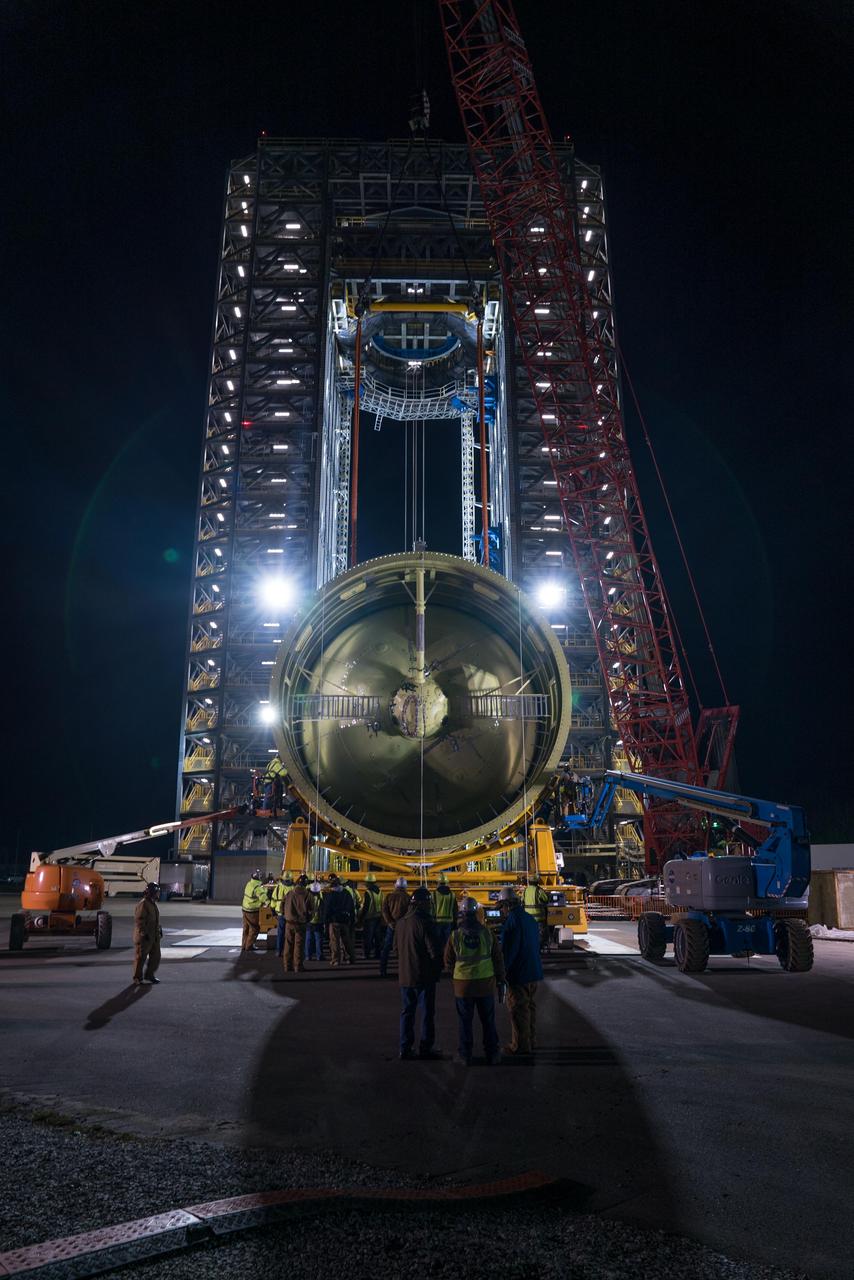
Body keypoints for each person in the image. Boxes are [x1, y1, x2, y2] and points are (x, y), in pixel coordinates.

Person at [444, 897, 506, 1066]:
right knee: (488, 1021)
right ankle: (492, 1054)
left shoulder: (455, 935)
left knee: (465, 1022)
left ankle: (465, 1056)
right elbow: (498, 959)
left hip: (463, 986)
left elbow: (448, 961)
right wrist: (500, 980)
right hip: (485, 984)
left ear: (462, 914)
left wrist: (457, 975)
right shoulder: (487, 933)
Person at [395, 886, 442, 1060]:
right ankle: (425, 1047)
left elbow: (395, 948)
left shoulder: (400, 923)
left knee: (407, 1011)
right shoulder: (425, 922)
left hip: (405, 975)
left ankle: (405, 1048)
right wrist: (438, 969)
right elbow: (434, 951)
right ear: (423, 904)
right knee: (427, 1012)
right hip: (424, 975)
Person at [497, 886, 543, 1055]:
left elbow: (509, 951)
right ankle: (531, 1041)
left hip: (519, 974)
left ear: (507, 905)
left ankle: (520, 1046)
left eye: (501, 907)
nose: (501, 911)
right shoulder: (529, 919)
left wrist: (502, 973)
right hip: (533, 971)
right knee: (530, 1008)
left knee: (518, 1011)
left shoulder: (512, 921)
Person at [321, 874, 355, 967]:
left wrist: (325, 921)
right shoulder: (346, 893)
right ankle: (350, 958)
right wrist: (351, 919)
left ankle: (336, 960)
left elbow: (327, 909)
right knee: (346, 940)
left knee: (334, 941)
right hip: (345, 920)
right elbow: (351, 907)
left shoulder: (330, 895)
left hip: (334, 921)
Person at [380, 876, 411, 977]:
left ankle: (383, 970)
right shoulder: (408, 897)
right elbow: (410, 913)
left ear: (396, 885)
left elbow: (384, 910)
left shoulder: (389, 896)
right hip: (404, 927)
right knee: (404, 949)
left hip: (392, 926)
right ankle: (404, 971)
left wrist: (389, 922)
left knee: (386, 947)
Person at [133, 882, 163, 984]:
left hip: (154, 936)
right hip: (145, 936)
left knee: (156, 957)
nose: (159, 894)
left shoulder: (152, 904)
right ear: (152, 892)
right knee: (141, 957)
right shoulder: (144, 904)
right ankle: (137, 977)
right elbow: (139, 920)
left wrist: (159, 930)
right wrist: (143, 933)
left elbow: (155, 919)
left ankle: (149, 975)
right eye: (157, 892)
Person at [282, 874, 312, 972]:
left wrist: (284, 915)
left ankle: (287, 966)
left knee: (288, 944)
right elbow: (312, 910)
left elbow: (282, 905)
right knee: (299, 945)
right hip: (300, 924)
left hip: (289, 922)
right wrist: (308, 919)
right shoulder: (307, 895)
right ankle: (298, 966)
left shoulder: (290, 893)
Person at [520, 874, 550, 950]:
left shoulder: (525, 890)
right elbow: (546, 899)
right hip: (538, 918)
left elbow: (522, 901)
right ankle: (538, 949)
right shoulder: (539, 890)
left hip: (528, 918)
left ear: (529, 882)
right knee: (540, 935)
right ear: (537, 882)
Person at [241, 868, 267, 953]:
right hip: (252, 911)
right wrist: (269, 903)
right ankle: (249, 946)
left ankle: (244, 945)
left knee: (246, 928)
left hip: (245, 909)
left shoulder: (249, 883)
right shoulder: (257, 887)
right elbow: (263, 897)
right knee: (255, 928)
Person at [431, 872, 458, 951]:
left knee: (437, 945)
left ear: (438, 883)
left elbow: (431, 910)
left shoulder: (433, 894)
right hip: (448, 923)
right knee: (447, 945)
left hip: (437, 923)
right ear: (447, 883)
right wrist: (455, 924)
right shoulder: (452, 895)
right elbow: (455, 910)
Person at [360, 872, 383, 959]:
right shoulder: (380, 892)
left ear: (369, 883)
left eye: (366, 882)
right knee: (377, 937)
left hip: (369, 918)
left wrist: (361, 917)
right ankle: (378, 954)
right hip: (378, 916)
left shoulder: (368, 892)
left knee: (368, 937)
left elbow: (366, 907)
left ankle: (367, 954)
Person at [271, 872, 295, 957]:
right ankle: (289, 952)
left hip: (280, 914)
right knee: (291, 934)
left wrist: (273, 912)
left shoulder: (278, 887)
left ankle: (279, 951)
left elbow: (273, 901)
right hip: (291, 914)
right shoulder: (293, 888)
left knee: (280, 933)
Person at [343, 879, 361, 963]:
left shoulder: (342, 892)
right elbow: (359, 903)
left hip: (345, 916)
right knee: (351, 935)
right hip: (353, 915)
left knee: (344, 937)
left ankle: (345, 955)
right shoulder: (354, 891)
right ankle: (351, 953)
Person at [306, 880, 324, 960]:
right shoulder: (321, 898)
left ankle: (308, 956)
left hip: (309, 920)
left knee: (308, 939)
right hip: (318, 921)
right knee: (318, 939)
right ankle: (319, 956)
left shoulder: (308, 897)